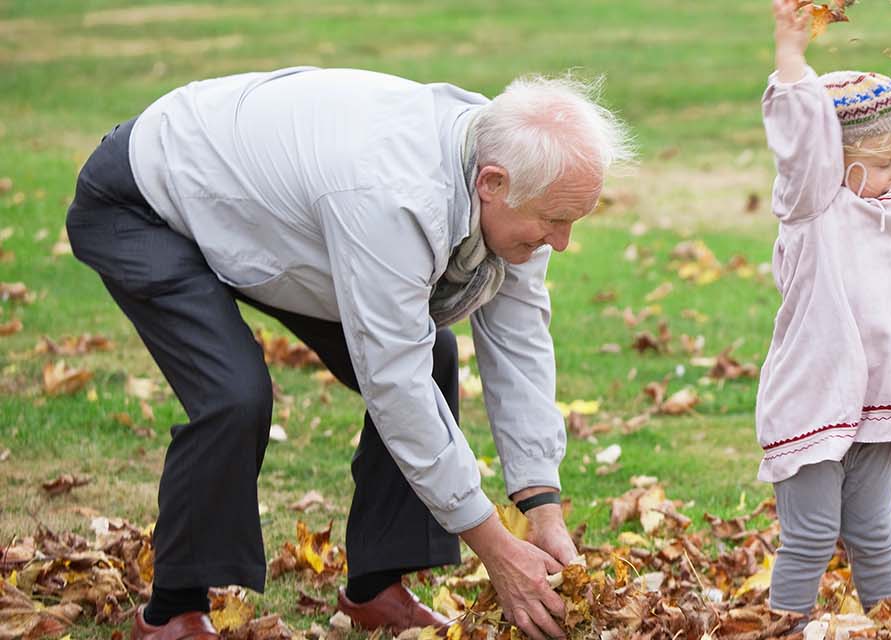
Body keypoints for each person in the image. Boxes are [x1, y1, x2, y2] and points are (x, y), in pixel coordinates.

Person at [65, 66, 632, 640]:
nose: (562, 242)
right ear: (492, 183)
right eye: (555, 221)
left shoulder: (518, 172)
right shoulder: (395, 196)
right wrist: (495, 548)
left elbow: (519, 343)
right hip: (145, 201)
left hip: (261, 214)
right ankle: (171, 613)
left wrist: (541, 508)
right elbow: (395, 382)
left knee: (432, 354)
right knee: (234, 395)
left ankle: (375, 590)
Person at [753, 0, 891, 619]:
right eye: (883, 164)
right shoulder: (814, 205)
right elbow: (801, 143)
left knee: (875, 531)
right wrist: (791, 58)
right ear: (838, 158)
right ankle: (786, 627)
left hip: (881, 397)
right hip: (817, 396)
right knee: (811, 534)